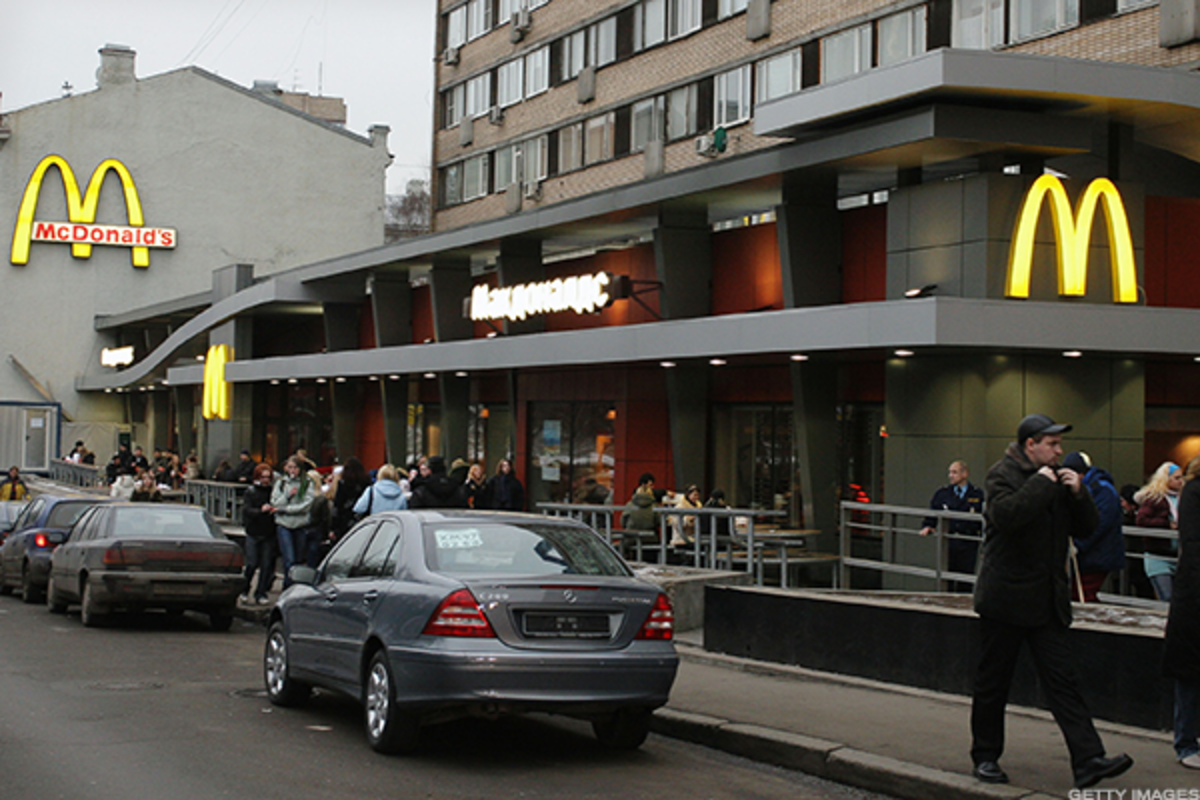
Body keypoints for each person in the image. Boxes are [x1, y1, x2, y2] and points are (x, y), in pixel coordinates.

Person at [969, 413, 1132, 789]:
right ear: (1031, 445)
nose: (1060, 451)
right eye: (1052, 444)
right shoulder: (1002, 475)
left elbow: (1087, 527)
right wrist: (1042, 484)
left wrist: (1078, 494)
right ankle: (986, 756)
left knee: (1063, 682)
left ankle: (1088, 759)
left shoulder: (1058, 479)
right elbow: (1007, 517)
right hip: (1006, 600)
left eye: (1059, 444)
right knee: (993, 682)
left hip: (1046, 602)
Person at [1164, 455, 1200, 770]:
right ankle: (1186, 741)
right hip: (1194, 598)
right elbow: (1193, 543)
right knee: (1190, 674)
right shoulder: (1194, 491)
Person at [1062, 451, 1126, 602]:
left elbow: (1100, 524)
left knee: (1083, 594)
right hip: (1091, 554)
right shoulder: (1099, 488)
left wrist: (1078, 545)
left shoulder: (1102, 490)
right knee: (1081, 594)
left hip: (1096, 555)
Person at [919, 460, 985, 592]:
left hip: (968, 542)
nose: (951, 476)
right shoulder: (943, 493)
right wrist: (928, 526)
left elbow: (983, 519)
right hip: (949, 541)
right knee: (946, 577)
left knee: (965, 579)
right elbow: (933, 511)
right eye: (950, 472)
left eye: (954, 472)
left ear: (964, 474)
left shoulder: (977, 494)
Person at [1136, 461, 1184, 602]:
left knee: (1180, 599)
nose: (1181, 481)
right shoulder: (1154, 499)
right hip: (1158, 555)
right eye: (1177, 478)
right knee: (1166, 596)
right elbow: (1142, 520)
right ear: (1166, 479)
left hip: (1180, 554)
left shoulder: (1184, 498)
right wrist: (1166, 524)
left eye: (1182, 477)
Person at [267, 456, 316, 588]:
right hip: (284, 524)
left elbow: (306, 505)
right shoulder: (281, 482)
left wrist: (286, 509)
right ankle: (287, 587)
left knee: (298, 559)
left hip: (300, 524)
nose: (292, 470)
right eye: (290, 467)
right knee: (289, 558)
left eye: (295, 467)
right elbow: (275, 503)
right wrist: (287, 496)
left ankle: (293, 586)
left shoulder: (307, 483)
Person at [240, 463, 278, 605]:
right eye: (263, 477)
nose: (265, 480)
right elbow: (247, 510)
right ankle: (245, 589)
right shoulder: (251, 492)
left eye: (268, 477)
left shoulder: (273, 492)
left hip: (268, 532)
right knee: (252, 563)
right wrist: (260, 511)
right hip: (254, 531)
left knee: (266, 565)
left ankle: (261, 592)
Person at [329, 457, 372, 539]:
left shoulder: (343, 485)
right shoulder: (367, 484)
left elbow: (337, 507)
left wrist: (333, 528)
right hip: (363, 522)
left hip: (344, 524)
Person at [306, 470, 332, 567]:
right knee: (313, 556)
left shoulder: (302, 497)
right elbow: (325, 518)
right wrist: (325, 534)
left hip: (302, 528)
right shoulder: (322, 498)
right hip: (316, 530)